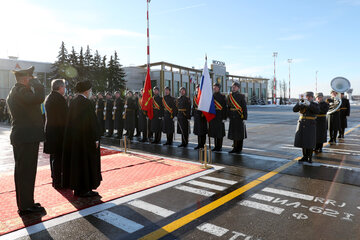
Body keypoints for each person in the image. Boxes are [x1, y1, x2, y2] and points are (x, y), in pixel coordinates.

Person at [6, 66, 46, 215]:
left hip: (25, 137)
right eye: (31, 78)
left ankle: (27, 202)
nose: (32, 80)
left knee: (27, 172)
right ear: (25, 79)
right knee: (25, 172)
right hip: (25, 137)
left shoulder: (18, 91)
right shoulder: (21, 91)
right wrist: (39, 85)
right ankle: (25, 206)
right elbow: (38, 98)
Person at [62, 81, 102, 197]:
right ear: (86, 91)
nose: (90, 93)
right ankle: (85, 189)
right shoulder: (86, 103)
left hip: (75, 140)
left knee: (77, 164)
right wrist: (95, 138)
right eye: (90, 90)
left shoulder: (73, 102)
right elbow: (92, 123)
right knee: (86, 164)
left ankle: (78, 188)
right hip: (86, 141)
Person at [44, 79, 68, 189]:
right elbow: (65, 117)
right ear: (60, 87)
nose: (65, 89)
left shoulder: (49, 97)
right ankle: (59, 182)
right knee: (58, 158)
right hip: (58, 133)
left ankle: (55, 179)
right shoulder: (59, 99)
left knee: (53, 157)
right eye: (64, 87)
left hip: (51, 131)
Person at [293, 91, 320, 163]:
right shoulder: (302, 103)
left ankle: (310, 157)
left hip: (310, 124)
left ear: (312, 97)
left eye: (309, 96)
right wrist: (299, 104)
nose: (307, 98)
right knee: (303, 141)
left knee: (310, 142)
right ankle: (304, 156)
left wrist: (309, 104)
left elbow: (317, 111)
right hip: (302, 124)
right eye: (306, 96)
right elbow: (294, 110)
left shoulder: (315, 104)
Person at [227, 82, 247, 154]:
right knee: (234, 133)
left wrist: (245, 118)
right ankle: (235, 148)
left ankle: (239, 148)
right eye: (233, 87)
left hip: (239, 117)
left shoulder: (241, 96)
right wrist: (228, 116)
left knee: (239, 133)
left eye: (235, 87)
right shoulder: (229, 96)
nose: (233, 88)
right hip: (232, 117)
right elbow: (228, 107)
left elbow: (244, 108)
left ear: (238, 88)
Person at [209, 83, 227, 151]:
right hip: (213, 116)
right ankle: (216, 146)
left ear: (219, 88)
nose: (214, 88)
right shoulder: (211, 96)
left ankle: (219, 146)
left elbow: (225, 108)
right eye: (214, 87)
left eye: (216, 87)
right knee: (214, 132)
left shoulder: (222, 96)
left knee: (220, 132)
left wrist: (224, 117)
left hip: (220, 116)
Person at [192, 84, 207, 150]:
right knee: (198, 131)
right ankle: (199, 144)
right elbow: (193, 107)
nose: (198, 89)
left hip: (202, 116)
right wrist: (192, 115)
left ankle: (203, 144)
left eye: (199, 88)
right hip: (196, 115)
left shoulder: (204, 96)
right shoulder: (195, 96)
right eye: (197, 88)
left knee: (203, 131)